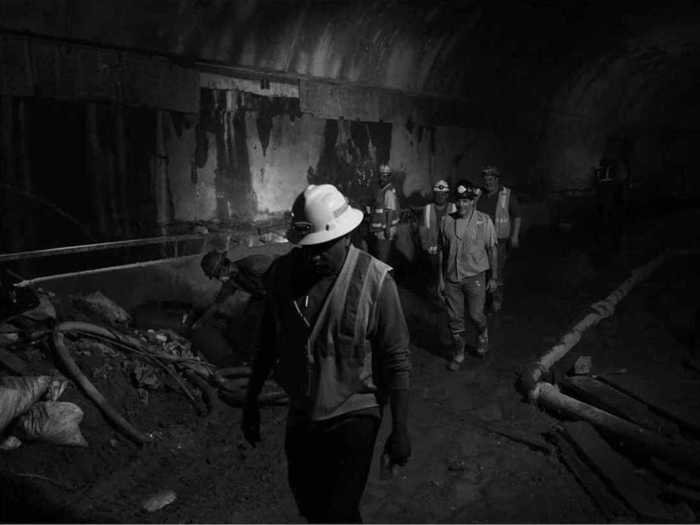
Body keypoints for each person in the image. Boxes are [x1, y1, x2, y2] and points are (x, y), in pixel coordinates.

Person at [242, 184, 411, 523]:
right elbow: (267, 340)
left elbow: (397, 358)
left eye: (322, 247)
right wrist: (251, 401)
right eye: (306, 248)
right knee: (309, 502)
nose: (312, 255)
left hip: (356, 409)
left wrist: (401, 429)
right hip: (304, 409)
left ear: (347, 236)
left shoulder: (377, 282)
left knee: (338, 510)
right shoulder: (282, 275)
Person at [438, 180, 498, 369]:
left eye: (466, 201)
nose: (462, 205)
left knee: (475, 315)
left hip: (475, 276)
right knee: (454, 320)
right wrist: (439, 279)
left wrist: (494, 277)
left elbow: (492, 249)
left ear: (472, 201)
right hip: (452, 278)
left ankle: (482, 334)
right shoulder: (446, 221)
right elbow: (442, 252)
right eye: (459, 201)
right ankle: (459, 352)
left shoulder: (483, 221)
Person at [184, 250, 272, 331]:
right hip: (264, 296)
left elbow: (279, 274)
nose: (218, 279)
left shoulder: (254, 265)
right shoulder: (230, 282)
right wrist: (199, 323)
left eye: (216, 276)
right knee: (248, 317)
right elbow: (216, 305)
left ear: (223, 268)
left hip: (279, 290)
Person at [476, 166, 521, 312]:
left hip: (499, 241)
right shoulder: (479, 194)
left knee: (497, 272)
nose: (488, 182)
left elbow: (517, 216)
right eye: (486, 179)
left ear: (497, 180)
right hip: (480, 241)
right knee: (481, 271)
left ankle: (496, 299)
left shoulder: (506, 194)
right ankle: (481, 298)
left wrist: (514, 235)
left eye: (491, 179)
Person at [417, 179, 455, 299]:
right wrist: (425, 245)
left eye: (443, 194)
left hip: (450, 250)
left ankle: (448, 298)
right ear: (434, 195)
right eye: (437, 194)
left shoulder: (454, 208)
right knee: (432, 276)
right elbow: (422, 228)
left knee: (448, 275)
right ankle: (433, 300)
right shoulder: (428, 208)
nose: (440, 196)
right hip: (432, 249)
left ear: (447, 195)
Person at [368, 163, 400, 263]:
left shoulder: (388, 191)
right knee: (383, 255)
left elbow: (390, 210)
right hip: (382, 228)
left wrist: (387, 229)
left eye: (386, 176)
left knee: (383, 258)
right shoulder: (382, 189)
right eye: (381, 175)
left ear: (389, 177)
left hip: (385, 229)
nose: (383, 178)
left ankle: (386, 276)